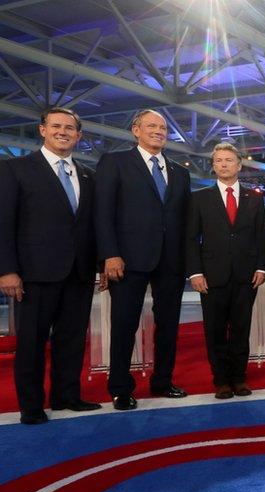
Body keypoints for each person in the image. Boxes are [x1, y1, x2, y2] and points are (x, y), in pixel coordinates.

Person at [0, 107, 101, 424]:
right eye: (56, 126)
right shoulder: (16, 169)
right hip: (34, 272)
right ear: (42, 130)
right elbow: (4, 223)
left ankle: (66, 395)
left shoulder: (88, 174)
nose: (63, 131)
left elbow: (92, 226)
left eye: (70, 128)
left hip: (79, 272)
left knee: (71, 339)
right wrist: (6, 269)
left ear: (79, 135)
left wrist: (99, 266)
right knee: (31, 341)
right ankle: (31, 405)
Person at [95, 109, 190, 410]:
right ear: (136, 130)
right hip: (128, 258)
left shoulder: (180, 172)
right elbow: (103, 212)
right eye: (151, 126)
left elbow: (183, 221)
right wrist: (109, 254)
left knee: (169, 325)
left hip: (171, 261)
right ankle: (121, 387)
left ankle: (163, 380)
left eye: (163, 128)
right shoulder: (116, 163)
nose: (158, 131)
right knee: (124, 324)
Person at [185, 143, 265, 399]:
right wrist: (195, 273)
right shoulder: (199, 198)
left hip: (246, 275)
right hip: (211, 276)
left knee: (242, 330)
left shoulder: (254, 198)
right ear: (213, 166)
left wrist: (262, 267)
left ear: (239, 165)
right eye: (218, 160)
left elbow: (261, 236)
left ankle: (239, 378)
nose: (223, 164)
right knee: (215, 330)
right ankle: (221, 380)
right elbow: (190, 238)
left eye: (228, 160)